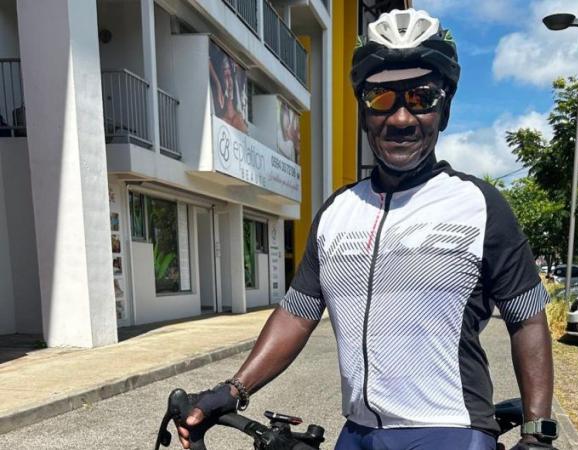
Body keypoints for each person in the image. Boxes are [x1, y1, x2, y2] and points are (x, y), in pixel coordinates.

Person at [178, 8, 557, 450]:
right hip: (358, 433)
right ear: (363, 110)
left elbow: (527, 318)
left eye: (421, 97)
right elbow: (297, 314)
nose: (400, 118)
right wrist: (234, 389)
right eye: (381, 98)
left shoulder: (480, 205)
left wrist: (538, 433)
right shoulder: (337, 211)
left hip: (451, 428)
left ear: (445, 109)